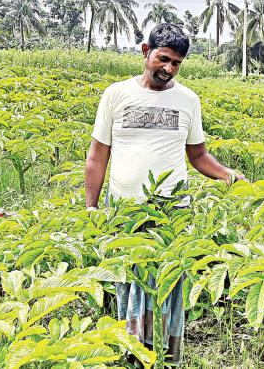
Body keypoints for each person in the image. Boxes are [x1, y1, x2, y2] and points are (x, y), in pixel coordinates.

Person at [84, 23, 244, 365]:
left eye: (176, 63)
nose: (168, 68)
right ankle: (133, 355)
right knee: (129, 280)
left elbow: (198, 156)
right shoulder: (116, 94)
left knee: (170, 284)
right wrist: (92, 207)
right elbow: (98, 156)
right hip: (124, 211)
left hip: (172, 211)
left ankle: (169, 357)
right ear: (146, 51)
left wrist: (229, 176)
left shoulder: (188, 100)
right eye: (163, 58)